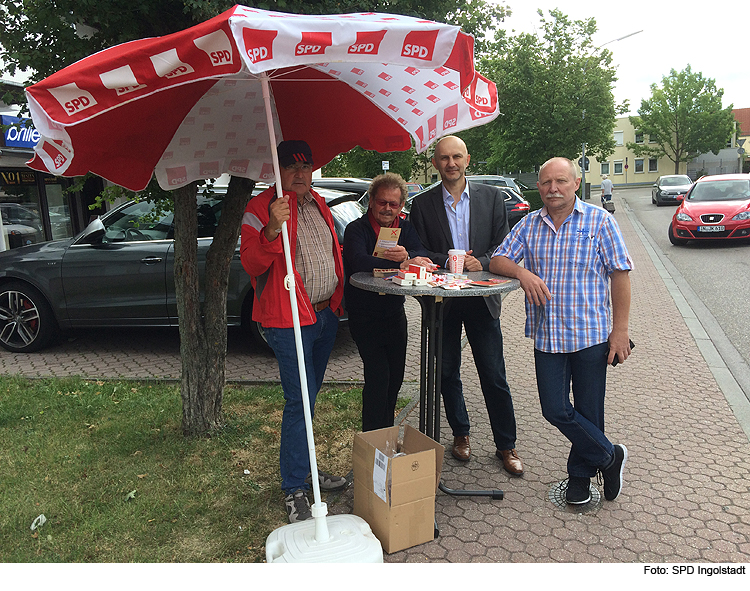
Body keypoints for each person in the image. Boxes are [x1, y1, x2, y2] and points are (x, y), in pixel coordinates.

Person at [490, 157, 633, 505]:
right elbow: (497, 260)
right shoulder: (528, 225)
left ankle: (580, 478)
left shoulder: (600, 221)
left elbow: (620, 274)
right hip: (549, 336)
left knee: (588, 410)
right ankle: (610, 457)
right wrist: (523, 274)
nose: (553, 188)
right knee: (554, 409)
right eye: (546, 182)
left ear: (576, 182)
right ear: (538, 187)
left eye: (561, 181)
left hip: (591, 335)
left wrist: (620, 330)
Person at [240, 140, 347, 523]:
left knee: (310, 399)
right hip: (289, 320)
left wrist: (336, 299)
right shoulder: (259, 209)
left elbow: (331, 252)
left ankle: (306, 471)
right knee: (299, 402)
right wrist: (271, 227)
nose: (300, 173)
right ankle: (294, 487)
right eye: (291, 167)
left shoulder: (317, 203)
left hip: (323, 315)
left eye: (307, 165)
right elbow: (251, 264)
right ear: (277, 170)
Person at [409, 135, 523, 476]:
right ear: (435, 163)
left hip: (481, 298)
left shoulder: (491, 198)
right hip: (442, 301)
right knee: (446, 373)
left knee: (494, 374)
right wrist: (447, 260)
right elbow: (419, 249)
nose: (451, 163)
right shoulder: (423, 204)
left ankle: (507, 444)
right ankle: (461, 434)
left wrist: (483, 261)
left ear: (468, 159)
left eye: (457, 156)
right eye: (444, 158)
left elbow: (504, 245)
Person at [343, 173, 433, 432]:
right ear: (371, 201)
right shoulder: (356, 229)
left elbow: (421, 253)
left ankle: (388, 435)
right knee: (378, 377)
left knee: (395, 379)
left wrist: (409, 254)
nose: (387, 209)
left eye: (394, 204)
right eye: (382, 202)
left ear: (401, 205)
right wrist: (400, 262)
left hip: (394, 313)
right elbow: (359, 261)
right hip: (364, 315)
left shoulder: (404, 227)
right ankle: (372, 440)